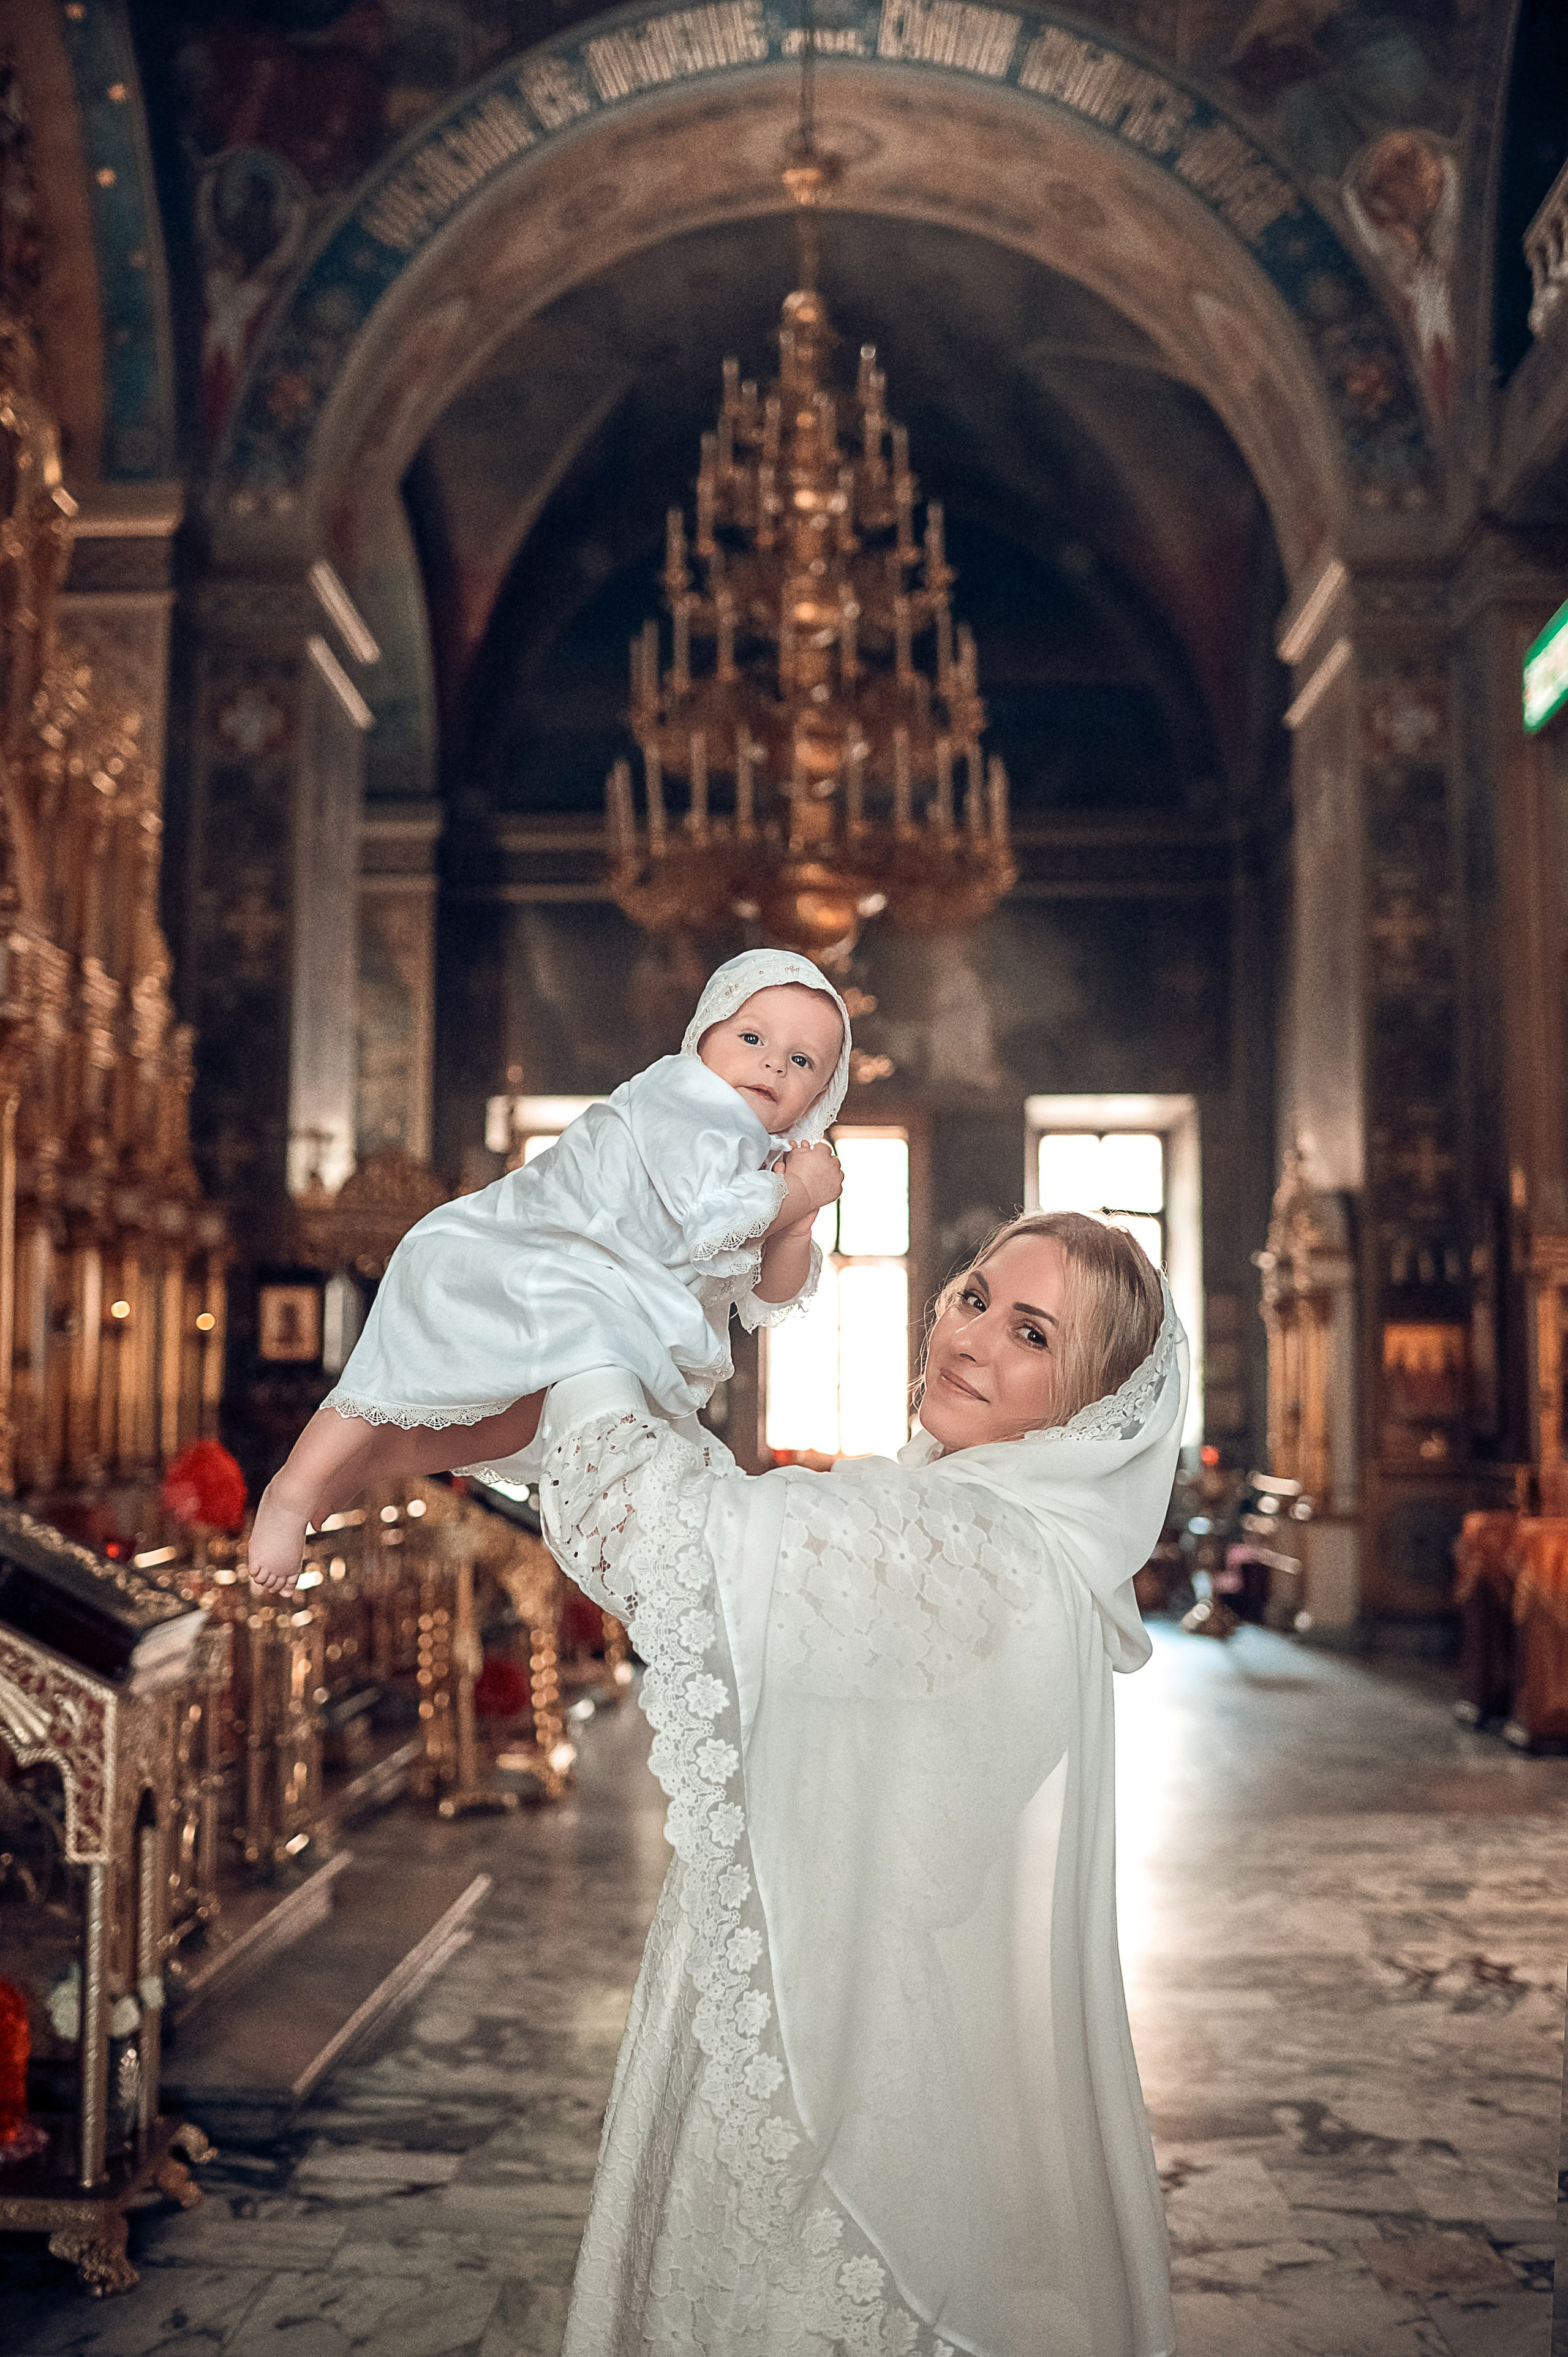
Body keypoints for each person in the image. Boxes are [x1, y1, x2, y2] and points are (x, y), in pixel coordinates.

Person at [534, 1208, 1186, 2356]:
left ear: (1089, 1409)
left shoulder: (978, 1548)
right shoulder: (997, 1532)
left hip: (824, 2033)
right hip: (810, 1975)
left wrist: (590, 1320)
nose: (970, 1338)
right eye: (976, 1294)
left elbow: (668, 1533)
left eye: (1032, 1333)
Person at [247, 950, 850, 1595]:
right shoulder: (686, 1101)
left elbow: (770, 1293)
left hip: (603, 1302)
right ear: (703, 1037)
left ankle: (377, 1464)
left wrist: (798, 1219)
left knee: (516, 1421)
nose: (772, 1064)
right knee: (393, 1382)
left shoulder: (764, 1164)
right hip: (525, 1258)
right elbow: (709, 1224)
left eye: (801, 1061)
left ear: (819, 1095)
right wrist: (794, 1194)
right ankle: (289, 1491)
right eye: (752, 1037)